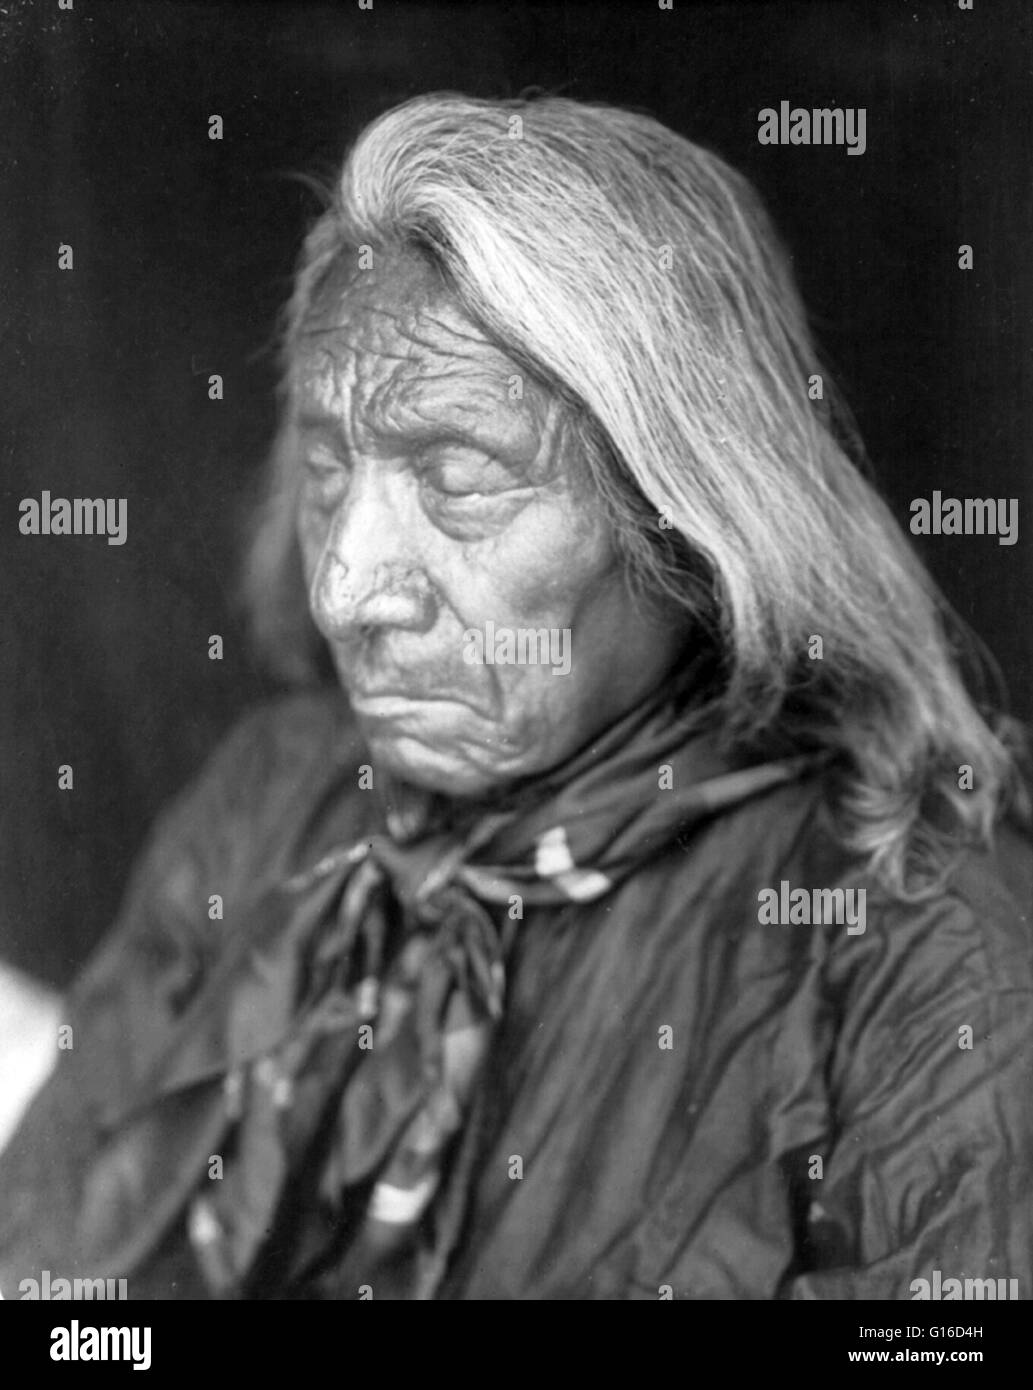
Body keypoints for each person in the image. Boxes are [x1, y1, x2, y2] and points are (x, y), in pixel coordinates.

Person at [1, 92, 1030, 1301]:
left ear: (687, 517)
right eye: (330, 471)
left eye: (457, 478)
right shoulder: (277, 798)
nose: (344, 588)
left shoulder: (916, 944)